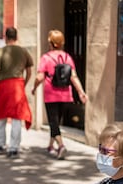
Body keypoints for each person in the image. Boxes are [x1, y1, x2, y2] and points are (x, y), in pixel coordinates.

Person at [31, 29, 88, 160]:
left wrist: (34, 88)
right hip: (66, 95)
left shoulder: (46, 58)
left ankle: (61, 146)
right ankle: (51, 146)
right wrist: (81, 92)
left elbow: (39, 77)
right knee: (55, 122)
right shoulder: (67, 57)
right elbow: (74, 77)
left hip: (51, 95)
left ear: (50, 42)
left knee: (53, 122)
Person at [0, 27, 33, 159]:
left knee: (0, 116)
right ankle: (13, 148)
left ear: (6, 37)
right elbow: (29, 72)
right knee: (17, 118)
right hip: (18, 86)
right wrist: (23, 84)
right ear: (16, 37)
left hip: (4, 86)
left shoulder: (1, 51)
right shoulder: (23, 51)